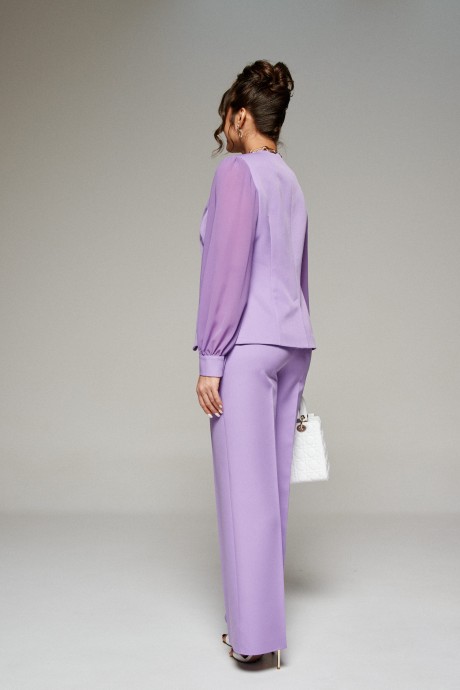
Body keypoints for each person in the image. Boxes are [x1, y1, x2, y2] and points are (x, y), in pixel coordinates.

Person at [192, 59, 317, 670]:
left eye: (227, 118)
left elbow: (227, 266)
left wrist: (211, 356)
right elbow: (298, 271)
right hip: (292, 342)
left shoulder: (236, 173)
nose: (224, 129)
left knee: (245, 496)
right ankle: (264, 631)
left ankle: (251, 640)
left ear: (242, 116)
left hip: (246, 346)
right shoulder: (290, 180)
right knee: (270, 495)